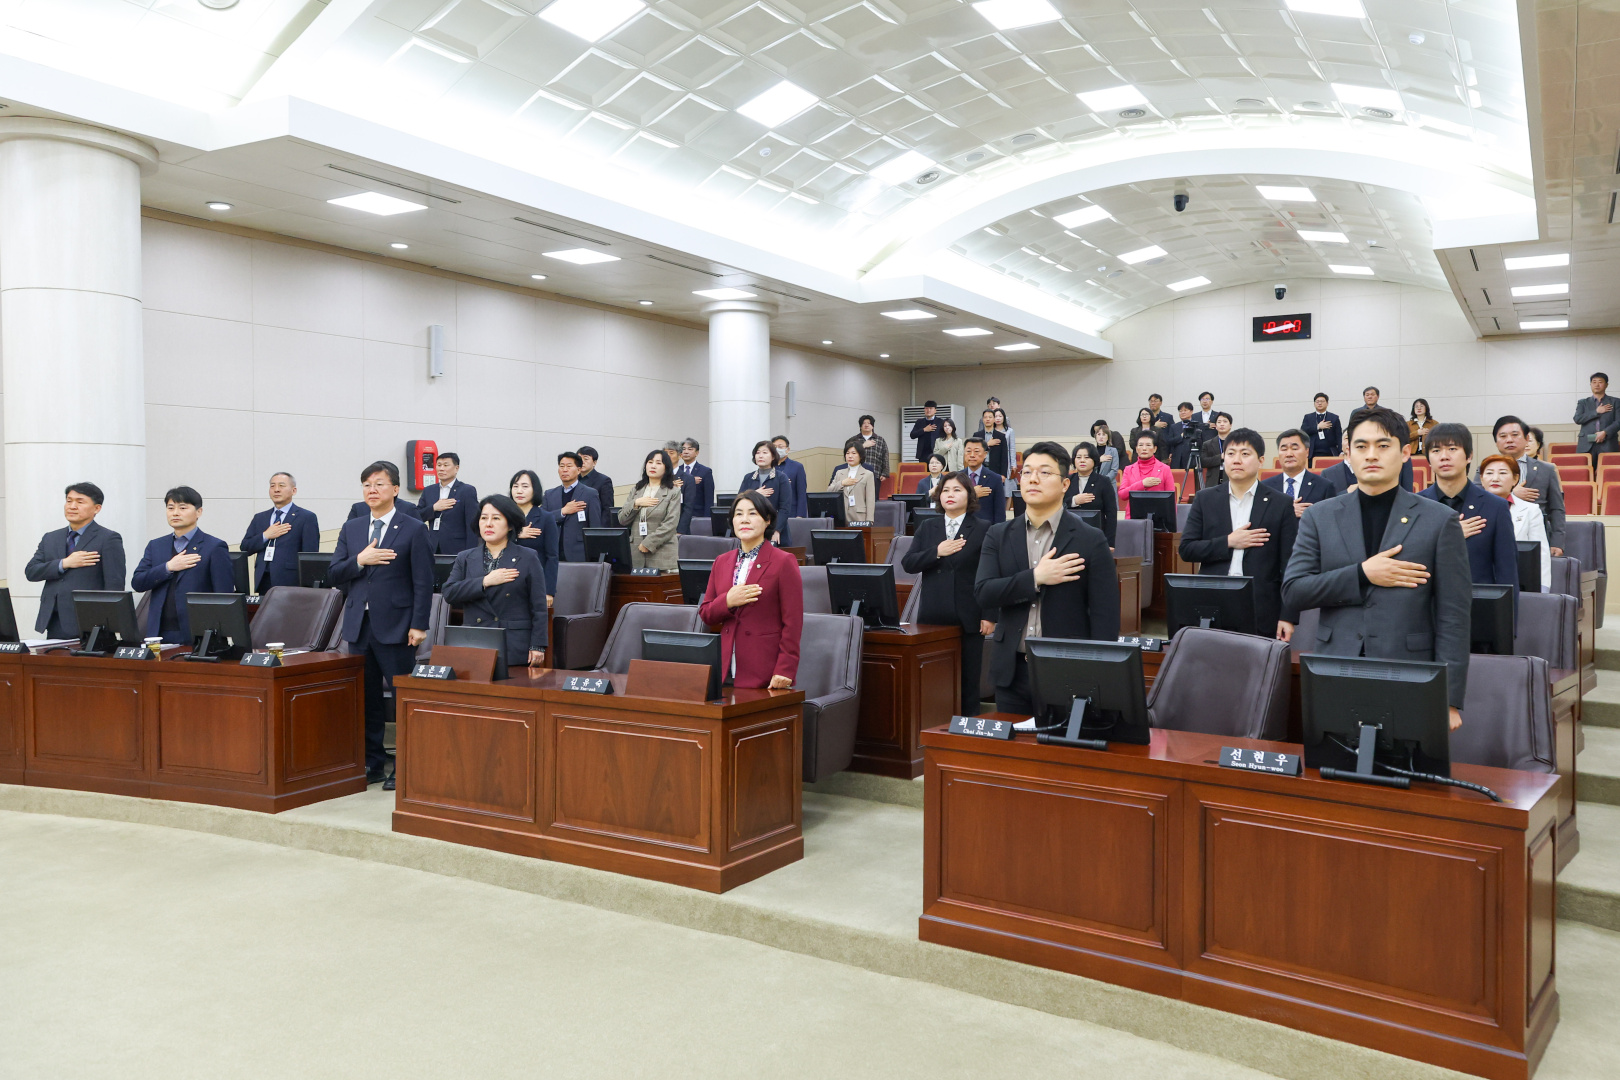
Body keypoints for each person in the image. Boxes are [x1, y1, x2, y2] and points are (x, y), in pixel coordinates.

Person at [1282, 406, 1472, 730]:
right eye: (1361, 446)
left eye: (1383, 446)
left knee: (1406, 772)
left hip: (1409, 670)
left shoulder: (1440, 520)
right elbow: (1294, 590)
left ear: (1406, 453)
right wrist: (1362, 574)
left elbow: (1454, 614)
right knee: (1331, 773)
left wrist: (1450, 697)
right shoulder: (1320, 516)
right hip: (1335, 667)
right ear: (1348, 453)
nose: (1371, 455)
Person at [975, 441, 1120, 714]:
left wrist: (1098, 674)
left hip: (1069, 670)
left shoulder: (1090, 539)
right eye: (1027, 472)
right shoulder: (998, 534)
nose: (1033, 479)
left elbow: (1105, 616)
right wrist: (1035, 578)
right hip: (1011, 671)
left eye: (1044, 472)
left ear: (1065, 484)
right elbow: (984, 592)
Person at [328, 461, 435, 789]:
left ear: (395, 489)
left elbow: (423, 581)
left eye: (378, 484)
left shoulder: (413, 527)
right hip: (360, 625)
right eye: (366, 485)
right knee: (367, 699)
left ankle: (404, 766)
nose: (371, 491)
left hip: (398, 626)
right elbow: (334, 573)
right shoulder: (353, 528)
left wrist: (419, 624)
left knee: (402, 698)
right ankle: (373, 763)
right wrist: (360, 561)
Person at [1179, 428, 1299, 640]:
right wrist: (1228, 542)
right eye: (1231, 453)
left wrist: (1288, 616)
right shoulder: (1205, 499)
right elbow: (1187, 549)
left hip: (1260, 605)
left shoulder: (1281, 504)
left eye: (1245, 454)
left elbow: (1290, 565)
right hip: (1213, 602)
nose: (1236, 460)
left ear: (1260, 460)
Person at [903, 472, 993, 715]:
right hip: (933, 612)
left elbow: (992, 573)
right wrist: (937, 551)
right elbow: (909, 563)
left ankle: (968, 730)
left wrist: (989, 614)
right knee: (934, 677)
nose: (950, 495)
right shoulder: (927, 526)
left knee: (968, 678)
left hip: (970, 613)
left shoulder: (984, 528)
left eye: (957, 490)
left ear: (969, 495)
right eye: (945, 490)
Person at [697, 491, 802, 689]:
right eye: (738, 514)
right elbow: (706, 613)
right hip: (724, 670)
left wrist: (785, 668)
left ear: (767, 520)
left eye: (752, 514)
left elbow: (793, 622)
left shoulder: (783, 561)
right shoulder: (722, 561)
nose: (744, 520)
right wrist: (727, 601)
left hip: (764, 672)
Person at [441, 495, 549, 669]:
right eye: (484, 518)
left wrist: (538, 645)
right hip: (476, 641)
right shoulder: (465, 557)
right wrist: (485, 581)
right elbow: (449, 593)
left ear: (511, 525)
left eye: (496, 518)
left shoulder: (528, 557)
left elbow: (538, 606)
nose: (488, 524)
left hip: (514, 642)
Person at [130, 486, 234, 646]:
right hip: (158, 633)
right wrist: (168, 567)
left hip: (197, 634)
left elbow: (223, 596)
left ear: (199, 512)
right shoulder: (156, 545)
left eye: (182, 508)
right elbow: (138, 582)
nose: (175, 513)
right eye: (170, 508)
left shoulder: (214, 547)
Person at [24, 481, 127, 640]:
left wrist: (109, 623)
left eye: (80, 502)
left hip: (91, 623)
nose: (72, 506)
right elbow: (31, 571)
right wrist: (64, 563)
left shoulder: (108, 538)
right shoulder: (51, 538)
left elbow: (114, 584)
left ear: (97, 508)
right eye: (69, 500)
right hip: (54, 619)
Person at [1419, 423, 1517, 587]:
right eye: (1436, 451)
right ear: (1429, 460)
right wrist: (1450, 536)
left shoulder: (1495, 507)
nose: (1444, 456)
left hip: (1478, 606)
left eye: (1452, 449)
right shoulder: (1415, 506)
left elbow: (1507, 573)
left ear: (1469, 456)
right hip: (1426, 608)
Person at [1493, 415, 1565, 555]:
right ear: (1496, 442)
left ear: (1526, 439)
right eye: (1503, 436)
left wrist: (1557, 542)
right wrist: (1512, 494)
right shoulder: (1485, 469)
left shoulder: (1547, 470)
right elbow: (1478, 498)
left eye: (1515, 435)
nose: (1509, 440)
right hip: (1496, 533)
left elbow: (1557, 508)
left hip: (1536, 535)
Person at [1479, 455, 1551, 592]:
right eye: (1489, 473)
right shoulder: (1471, 508)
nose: (1495, 478)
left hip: (1520, 582)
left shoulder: (1531, 510)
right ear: (1482, 479)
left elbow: (1541, 553)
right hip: (1480, 583)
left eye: (1502, 473)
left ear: (1515, 479)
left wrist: (1543, 588)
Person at [239, 472, 319, 593]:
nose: (276, 490)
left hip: (291, 583)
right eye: (272, 486)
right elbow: (245, 547)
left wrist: (307, 588)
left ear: (294, 490)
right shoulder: (260, 517)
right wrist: (265, 536)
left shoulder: (306, 517)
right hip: (263, 579)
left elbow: (310, 555)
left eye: (281, 486)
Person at [617, 449, 682, 569]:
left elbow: (670, 524)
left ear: (666, 468)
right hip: (635, 552)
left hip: (662, 553)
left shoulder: (673, 492)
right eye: (650, 462)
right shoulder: (636, 490)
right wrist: (636, 504)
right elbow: (622, 519)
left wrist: (649, 543)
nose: (653, 466)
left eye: (658, 463)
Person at [508, 468, 559, 600]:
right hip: (507, 578)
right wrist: (516, 534)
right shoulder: (504, 516)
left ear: (535, 490)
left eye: (525, 486)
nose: (519, 491)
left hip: (534, 579)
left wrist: (549, 591)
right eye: (515, 486)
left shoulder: (546, 518)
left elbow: (552, 557)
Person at [544, 451, 603, 561]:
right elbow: (543, 520)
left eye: (569, 466)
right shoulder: (549, 494)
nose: (564, 470)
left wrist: (595, 555)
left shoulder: (590, 494)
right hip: (553, 552)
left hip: (579, 552)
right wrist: (563, 511)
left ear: (579, 470)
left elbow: (595, 527)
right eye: (561, 466)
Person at [416, 452, 478, 555]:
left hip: (457, 548)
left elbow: (472, 524)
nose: (441, 469)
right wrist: (433, 508)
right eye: (439, 465)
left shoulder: (466, 490)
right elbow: (417, 516)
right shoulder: (429, 490)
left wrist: (471, 553)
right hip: (432, 546)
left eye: (446, 465)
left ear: (456, 468)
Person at [1261, 429, 1334, 516]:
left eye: (1294, 448)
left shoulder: (1324, 486)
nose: (1289, 454)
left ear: (1307, 452)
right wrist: (1286, 511)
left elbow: (1330, 519)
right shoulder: (1265, 487)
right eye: (1284, 449)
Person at [1065, 443, 1117, 546]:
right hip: (1069, 535)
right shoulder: (1067, 481)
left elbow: (1111, 514)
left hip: (1095, 536)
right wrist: (1074, 501)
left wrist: (1110, 543)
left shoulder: (1103, 482)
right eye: (1078, 457)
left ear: (1094, 460)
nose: (1082, 460)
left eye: (1087, 457)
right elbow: (1057, 505)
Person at [739, 440, 788, 542]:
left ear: (773, 456)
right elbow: (739, 502)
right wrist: (755, 494)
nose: (760, 456)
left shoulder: (781, 478)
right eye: (758, 453)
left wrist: (777, 530)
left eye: (765, 453)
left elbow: (785, 508)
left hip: (774, 529)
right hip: (751, 528)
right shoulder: (748, 477)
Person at [1119, 431, 1174, 514]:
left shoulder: (1165, 469)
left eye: (1148, 445)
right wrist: (1142, 484)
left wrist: (1172, 522)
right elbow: (1122, 495)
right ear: (1136, 449)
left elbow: (1171, 499)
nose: (1144, 448)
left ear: (1155, 449)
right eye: (1141, 445)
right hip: (1134, 516)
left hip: (1159, 516)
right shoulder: (1128, 469)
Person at [1574, 371, 1619, 472]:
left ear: (1606, 385)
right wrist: (1596, 412)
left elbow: (1618, 422)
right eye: (1594, 382)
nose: (1597, 385)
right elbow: (1577, 419)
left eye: (1600, 382)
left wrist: (1605, 432)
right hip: (1586, 444)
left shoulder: (1616, 402)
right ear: (1590, 384)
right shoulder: (1583, 402)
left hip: (1608, 443)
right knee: (1583, 473)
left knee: (1609, 473)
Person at [673, 437, 714, 534]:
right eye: (683, 449)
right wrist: (690, 481)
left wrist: (707, 520)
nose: (686, 452)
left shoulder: (705, 471)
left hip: (697, 517)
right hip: (679, 516)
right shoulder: (676, 471)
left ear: (697, 453)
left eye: (690, 449)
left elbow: (709, 498)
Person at [962, 436, 1006, 523]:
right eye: (968, 451)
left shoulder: (995, 479)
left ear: (985, 454)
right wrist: (972, 494)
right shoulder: (956, 477)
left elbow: (999, 511)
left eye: (976, 451)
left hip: (986, 529)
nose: (972, 455)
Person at [829, 440, 875, 523]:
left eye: (854, 453)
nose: (850, 456)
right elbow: (829, 491)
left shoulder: (868, 474)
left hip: (859, 516)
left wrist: (869, 520)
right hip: (841, 516)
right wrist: (842, 483)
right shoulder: (839, 472)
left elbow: (870, 500)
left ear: (860, 456)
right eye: (847, 453)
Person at [771, 436, 811, 520]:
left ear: (787, 449)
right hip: (771, 513)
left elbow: (801, 493)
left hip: (791, 513)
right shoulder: (769, 467)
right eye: (774, 447)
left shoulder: (797, 467)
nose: (777, 449)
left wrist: (800, 515)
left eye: (780, 447)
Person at [1301, 393, 1341, 466]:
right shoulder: (1308, 417)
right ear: (1314, 404)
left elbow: (1339, 436)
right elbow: (1303, 432)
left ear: (1327, 403)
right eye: (1317, 401)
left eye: (1322, 401)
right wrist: (1318, 427)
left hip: (1330, 452)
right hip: (1312, 452)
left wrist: (1341, 452)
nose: (1319, 403)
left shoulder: (1334, 417)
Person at [576, 446, 615, 513]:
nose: (582, 462)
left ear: (594, 463)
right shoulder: (574, 479)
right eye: (579, 459)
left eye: (586, 459)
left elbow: (607, 509)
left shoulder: (604, 481)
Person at [1200, 412, 1233, 487]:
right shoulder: (1207, 444)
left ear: (1230, 425)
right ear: (1216, 426)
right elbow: (1203, 462)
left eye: (1225, 421)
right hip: (1213, 481)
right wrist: (1220, 457)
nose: (1222, 424)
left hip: (1231, 480)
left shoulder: (1236, 444)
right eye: (1219, 422)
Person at [854, 414, 890, 483]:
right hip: (856, 474)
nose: (866, 425)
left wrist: (885, 473)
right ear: (860, 426)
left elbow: (885, 457)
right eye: (864, 423)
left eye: (869, 423)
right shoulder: (855, 439)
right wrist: (863, 446)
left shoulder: (880, 439)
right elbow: (850, 455)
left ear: (872, 426)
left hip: (875, 474)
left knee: (874, 494)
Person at [976, 408, 1011, 477]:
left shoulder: (1001, 436)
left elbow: (1004, 457)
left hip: (995, 470)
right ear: (983, 420)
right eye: (985, 417)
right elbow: (975, 451)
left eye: (990, 417)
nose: (988, 419)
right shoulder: (977, 435)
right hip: (980, 468)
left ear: (994, 419)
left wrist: (1003, 474)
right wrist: (987, 444)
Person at [1169, 402, 1201, 470]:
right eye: (1180, 411)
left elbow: (1201, 441)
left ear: (1191, 411)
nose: (1182, 412)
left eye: (1185, 410)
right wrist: (1180, 437)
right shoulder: (1174, 426)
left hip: (1192, 458)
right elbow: (1169, 441)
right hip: (1177, 459)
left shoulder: (1197, 425)